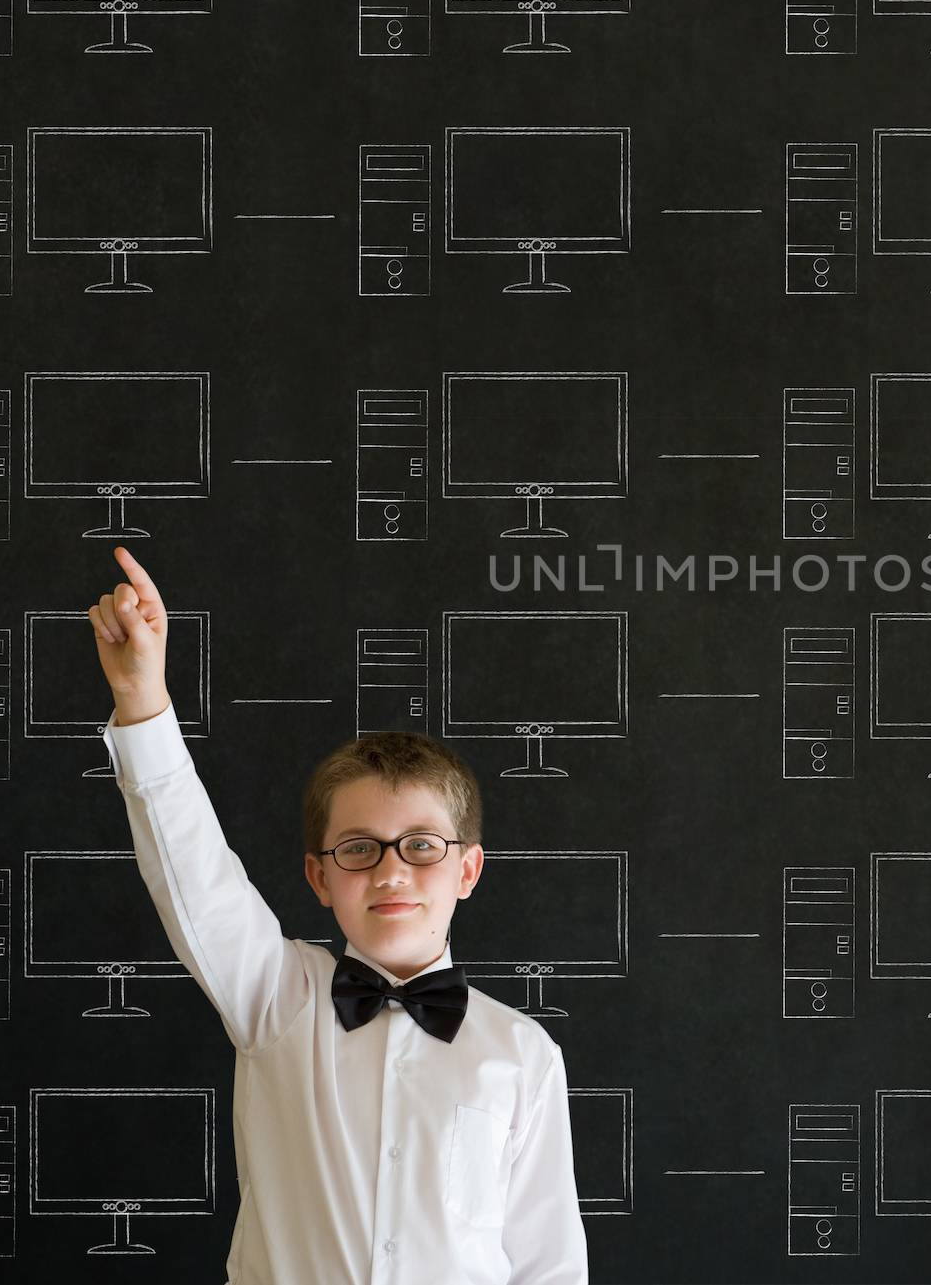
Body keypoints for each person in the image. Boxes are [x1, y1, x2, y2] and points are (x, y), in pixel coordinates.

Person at [88, 544, 588, 1284]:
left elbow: (548, 1267)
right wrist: (142, 699)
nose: (391, 870)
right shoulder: (277, 999)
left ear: (469, 867)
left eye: (421, 844)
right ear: (319, 877)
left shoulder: (522, 1053)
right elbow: (196, 876)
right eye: (359, 848)